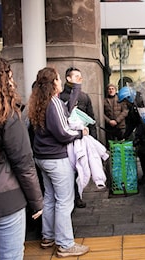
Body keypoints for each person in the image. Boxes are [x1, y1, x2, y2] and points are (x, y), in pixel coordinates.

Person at [0, 56, 44, 260]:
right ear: (2, 81)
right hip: (6, 198)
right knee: (10, 256)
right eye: (10, 77)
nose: (13, 82)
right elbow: (23, 163)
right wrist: (36, 202)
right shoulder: (7, 114)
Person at [28, 66, 90, 257]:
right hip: (56, 159)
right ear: (53, 83)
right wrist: (81, 132)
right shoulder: (53, 102)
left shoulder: (39, 102)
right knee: (64, 201)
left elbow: (67, 110)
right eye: (58, 80)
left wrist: (76, 87)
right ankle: (65, 244)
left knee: (50, 197)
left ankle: (48, 237)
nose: (61, 83)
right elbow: (63, 132)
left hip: (42, 158)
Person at [60, 66, 97, 209]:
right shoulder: (60, 97)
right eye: (76, 77)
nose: (79, 79)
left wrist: (93, 139)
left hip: (83, 138)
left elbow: (92, 119)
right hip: (68, 138)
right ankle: (73, 197)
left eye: (80, 77)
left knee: (80, 168)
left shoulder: (84, 97)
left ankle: (78, 195)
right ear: (68, 78)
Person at [118, 85, 145, 191]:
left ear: (129, 97)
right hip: (144, 136)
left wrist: (139, 135)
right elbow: (132, 123)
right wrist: (125, 136)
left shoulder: (142, 103)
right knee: (142, 154)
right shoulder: (133, 107)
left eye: (124, 101)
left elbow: (144, 122)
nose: (124, 104)